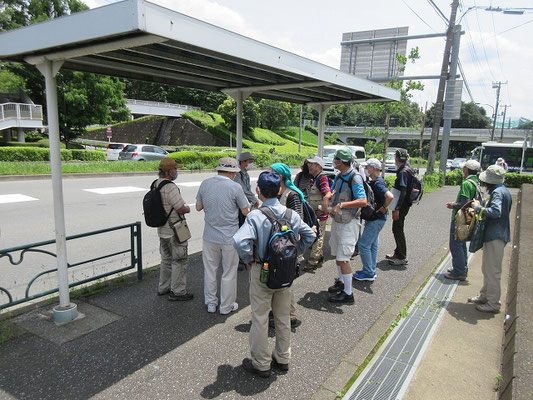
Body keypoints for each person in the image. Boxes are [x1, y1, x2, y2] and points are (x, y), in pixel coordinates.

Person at [233, 171, 315, 377]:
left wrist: (249, 258)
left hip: (262, 271)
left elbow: (239, 241)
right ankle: (283, 358)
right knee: (283, 316)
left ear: (258, 191)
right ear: (279, 190)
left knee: (260, 317)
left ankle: (261, 363)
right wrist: (296, 253)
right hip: (286, 273)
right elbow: (310, 234)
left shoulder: (256, 215)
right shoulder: (291, 215)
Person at [196, 157, 250, 314]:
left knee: (210, 269)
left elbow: (198, 207)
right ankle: (226, 307)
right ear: (232, 173)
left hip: (209, 236)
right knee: (229, 271)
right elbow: (245, 211)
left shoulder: (205, 183)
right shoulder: (235, 187)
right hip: (229, 236)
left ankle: (211, 303)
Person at [469, 165, 512, 313]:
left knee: (492, 271)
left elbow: (495, 212)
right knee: (487, 268)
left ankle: (493, 304)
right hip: (497, 235)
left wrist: (478, 207)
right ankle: (484, 296)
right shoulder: (503, 191)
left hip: (496, 236)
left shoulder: (498, 193)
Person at [327, 147, 367, 303]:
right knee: (338, 255)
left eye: (335, 159)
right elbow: (333, 191)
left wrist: (342, 205)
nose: (334, 161)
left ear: (341, 162)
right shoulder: (339, 176)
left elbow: (363, 201)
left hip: (349, 223)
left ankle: (348, 294)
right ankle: (342, 283)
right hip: (338, 221)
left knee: (344, 259)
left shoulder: (355, 178)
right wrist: (328, 196)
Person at [269, 162, 306, 327]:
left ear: (280, 176)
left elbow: (297, 221)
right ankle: (278, 311)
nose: (269, 176)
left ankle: (290, 316)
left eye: (272, 173)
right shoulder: (276, 193)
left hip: (287, 246)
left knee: (286, 281)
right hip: (276, 245)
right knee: (277, 279)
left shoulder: (292, 195)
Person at [155, 157, 193, 301]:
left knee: (165, 259)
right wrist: (188, 209)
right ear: (170, 171)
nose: (177, 172)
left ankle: (163, 287)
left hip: (162, 229)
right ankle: (178, 291)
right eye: (175, 169)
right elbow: (180, 207)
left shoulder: (155, 184)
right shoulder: (170, 187)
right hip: (175, 229)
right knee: (179, 260)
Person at [353, 158, 393, 281]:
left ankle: (368, 272)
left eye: (367, 167)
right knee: (372, 244)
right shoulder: (377, 181)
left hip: (376, 219)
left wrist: (383, 207)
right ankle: (371, 270)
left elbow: (390, 196)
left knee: (363, 244)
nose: (365, 169)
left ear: (373, 168)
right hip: (378, 218)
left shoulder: (378, 183)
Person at [444, 160, 482, 281]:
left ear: (466, 169)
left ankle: (459, 272)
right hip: (469, 217)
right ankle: (461, 268)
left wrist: (453, 205)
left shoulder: (466, 183)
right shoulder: (476, 182)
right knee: (461, 244)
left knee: (455, 245)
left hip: (460, 218)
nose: (463, 169)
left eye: (464, 167)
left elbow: (464, 203)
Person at [301, 156, 331, 271]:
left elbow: (327, 193)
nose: (309, 165)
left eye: (312, 164)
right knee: (317, 235)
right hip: (313, 214)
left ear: (318, 166)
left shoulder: (321, 178)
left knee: (318, 236)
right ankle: (320, 256)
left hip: (320, 215)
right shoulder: (314, 178)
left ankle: (313, 261)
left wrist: (325, 201)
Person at [387, 149, 413, 266]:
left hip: (401, 205)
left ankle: (402, 256)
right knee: (397, 228)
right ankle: (397, 253)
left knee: (397, 229)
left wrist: (397, 208)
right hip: (405, 204)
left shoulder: (403, 172)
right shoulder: (409, 168)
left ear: (396, 159)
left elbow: (403, 191)